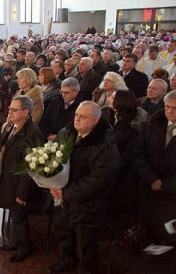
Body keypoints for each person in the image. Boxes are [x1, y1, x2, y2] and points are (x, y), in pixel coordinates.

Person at [49, 101, 120, 273]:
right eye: (76, 116)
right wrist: (50, 180)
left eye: (83, 117)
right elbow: (53, 159)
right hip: (63, 199)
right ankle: (66, 260)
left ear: (95, 120)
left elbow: (98, 180)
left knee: (86, 243)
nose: (77, 120)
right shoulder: (66, 134)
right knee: (64, 233)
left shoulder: (105, 145)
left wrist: (65, 192)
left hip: (88, 205)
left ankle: (87, 269)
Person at [133, 90, 176, 247]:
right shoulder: (153, 123)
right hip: (148, 188)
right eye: (167, 106)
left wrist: (166, 185)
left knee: (171, 238)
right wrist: (150, 178)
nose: (169, 111)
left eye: (175, 108)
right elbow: (138, 152)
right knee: (147, 233)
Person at [0, 95, 45, 262]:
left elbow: (32, 167)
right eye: (10, 109)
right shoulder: (12, 125)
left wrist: (22, 193)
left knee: (19, 216)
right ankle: (16, 241)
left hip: (18, 184)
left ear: (26, 113)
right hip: (8, 179)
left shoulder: (33, 133)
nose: (9, 112)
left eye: (14, 110)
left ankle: (25, 247)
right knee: (14, 214)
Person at [104, 90, 147, 222]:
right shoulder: (109, 115)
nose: (109, 98)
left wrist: (110, 168)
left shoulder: (132, 126)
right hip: (106, 163)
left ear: (121, 102)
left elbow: (128, 154)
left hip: (120, 172)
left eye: (113, 97)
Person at [40, 77, 82, 141]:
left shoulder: (81, 107)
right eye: (62, 91)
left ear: (76, 92)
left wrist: (58, 138)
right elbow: (44, 121)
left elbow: (78, 129)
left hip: (68, 142)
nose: (63, 95)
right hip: (49, 139)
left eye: (67, 92)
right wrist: (48, 134)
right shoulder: (54, 102)